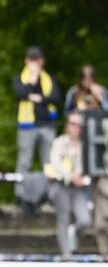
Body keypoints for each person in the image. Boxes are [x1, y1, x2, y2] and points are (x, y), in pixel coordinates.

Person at [13, 46, 61, 207]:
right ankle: (20, 196)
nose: (34, 62)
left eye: (37, 59)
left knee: (48, 162)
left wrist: (37, 98)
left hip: (47, 125)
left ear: (42, 61)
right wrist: (32, 79)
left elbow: (55, 97)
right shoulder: (20, 77)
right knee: (24, 162)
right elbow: (20, 92)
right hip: (27, 126)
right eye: (31, 59)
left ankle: (48, 195)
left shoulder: (49, 78)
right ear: (26, 61)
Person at [45, 111, 91, 258]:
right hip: (61, 185)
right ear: (67, 126)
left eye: (79, 125)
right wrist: (70, 176)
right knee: (63, 219)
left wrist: (81, 178)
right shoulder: (59, 142)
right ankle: (66, 255)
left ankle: (74, 232)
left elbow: (88, 167)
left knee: (85, 220)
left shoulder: (85, 145)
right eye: (73, 124)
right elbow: (55, 162)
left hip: (78, 188)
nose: (76, 128)